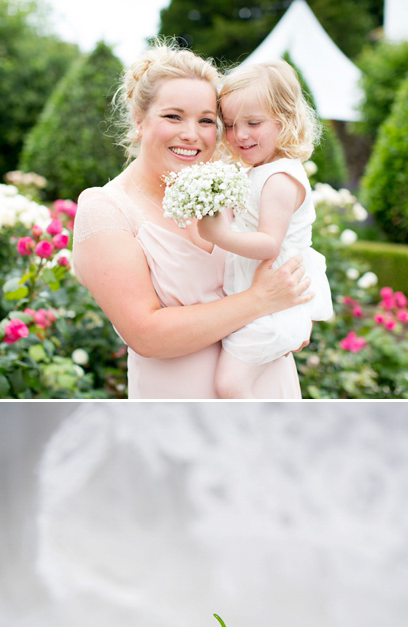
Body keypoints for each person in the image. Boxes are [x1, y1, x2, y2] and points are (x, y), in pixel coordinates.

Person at [72, 44, 313, 399]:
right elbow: (146, 334)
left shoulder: (231, 187)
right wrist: (260, 301)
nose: (192, 134)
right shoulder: (107, 208)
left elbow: (291, 261)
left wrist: (295, 317)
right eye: (173, 117)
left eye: (205, 120)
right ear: (139, 121)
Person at [201, 62, 334, 401]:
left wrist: (218, 234)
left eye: (253, 123)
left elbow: (269, 244)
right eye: (230, 125)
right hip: (263, 299)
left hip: (275, 305)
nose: (240, 135)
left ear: (285, 120)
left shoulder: (278, 178)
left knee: (230, 386)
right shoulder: (261, 171)